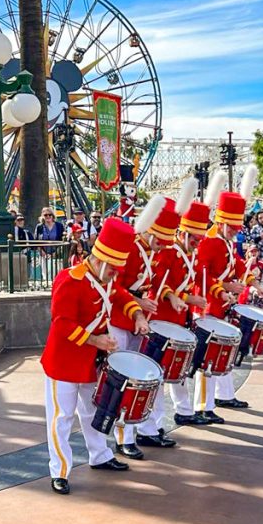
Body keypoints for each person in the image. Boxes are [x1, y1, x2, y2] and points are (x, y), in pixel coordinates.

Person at [41, 219, 148, 495]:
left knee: (92, 412)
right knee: (61, 417)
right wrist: (96, 339)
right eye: (113, 267)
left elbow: (121, 295)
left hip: (90, 360)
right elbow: (61, 323)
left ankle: (99, 455)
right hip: (63, 361)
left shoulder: (105, 280)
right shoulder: (70, 279)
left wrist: (137, 313)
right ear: (99, 259)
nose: (115, 274)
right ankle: (60, 471)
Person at [109, 195, 182, 459]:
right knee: (126, 380)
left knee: (147, 377)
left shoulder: (151, 252)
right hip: (121, 318)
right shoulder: (130, 248)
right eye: (161, 241)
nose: (164, 247)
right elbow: (114, 286)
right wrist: (139, 303)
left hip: (140, 318)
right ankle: (123, 437)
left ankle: (148, 428)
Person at [196, 190, 263, 418]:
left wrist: (253, 282)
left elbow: (236, 266)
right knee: (208, 358)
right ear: (223, 223)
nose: (237, 231)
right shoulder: (209, 241)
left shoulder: (225, 241)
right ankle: (203, 406)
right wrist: (225, 288)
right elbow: (201, 275)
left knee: (224, 352)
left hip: (222, 305)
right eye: (234, 227)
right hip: (208, 306)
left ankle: (224, 395)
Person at [149, 199, 211, 426]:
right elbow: (156, 283)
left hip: (177, 317)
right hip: (161, 316)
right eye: (194, 239)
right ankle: (155, 424)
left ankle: (184, 410)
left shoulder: (191, 254)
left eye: (199, 239)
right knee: (161, 372)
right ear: (183, 234)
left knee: (179, 367)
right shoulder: (168, 253)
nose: (197, 243)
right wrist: (184, 298)